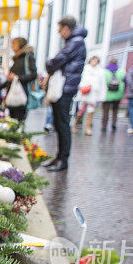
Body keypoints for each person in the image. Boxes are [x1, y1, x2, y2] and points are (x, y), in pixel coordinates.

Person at [42, 15, 87, 172]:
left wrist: (49, 63)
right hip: (63, 88)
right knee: (59, 124)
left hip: (64, 89)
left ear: (67, 28)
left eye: (60, 29)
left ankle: (63, 159)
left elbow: (56, 61)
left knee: (62, 124)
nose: (59, 33)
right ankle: (59, 157)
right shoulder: (73, 42)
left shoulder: (76, 42)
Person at [4, 37, 37, 121]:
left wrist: (17, 77)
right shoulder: (17, 59)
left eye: (14, 44)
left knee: (18, 121)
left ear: (20, 45)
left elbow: (33, 75)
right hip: (12, 96)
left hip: (21, 95)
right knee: (12, 120)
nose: (12, 46)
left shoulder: (28, 57)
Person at [72, 56, 106, 135]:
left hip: (93, 95)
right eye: (93, 60)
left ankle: (88, 128)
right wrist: (82, 87)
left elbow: (102, 85)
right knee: (81, 112)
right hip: (84, 95)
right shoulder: (85, 69)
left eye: (96, 61)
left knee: (91, 112)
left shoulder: (100, 72)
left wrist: (101, 96)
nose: (94, 62)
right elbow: (80, 81)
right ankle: (75, 125)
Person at [101, 57, 125, 131]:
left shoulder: (104, 71)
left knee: (105, 111)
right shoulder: (121, 71)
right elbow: (126, 82)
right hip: (118, 94)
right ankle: (114, 123)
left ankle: (104, 126)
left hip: (107, 94)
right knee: (115, 110)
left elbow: (101, 83)